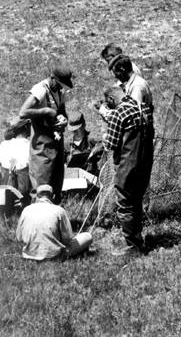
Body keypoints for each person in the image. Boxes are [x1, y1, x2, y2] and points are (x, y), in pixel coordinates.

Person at [99, 78, 154, 256]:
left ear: (111, 101)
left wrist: (105, 134)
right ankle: (138, 238)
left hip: (127, 164)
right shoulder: (144, 108)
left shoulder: (118, 113)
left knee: (125, 202)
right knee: (137, 199)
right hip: (145, 162)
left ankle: (133, 245)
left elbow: (111, 144)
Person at [18, 66, 73, 203]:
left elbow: (62, 111)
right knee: (42, 185)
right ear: (53, 78)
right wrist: (45, 111)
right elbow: (23, 113)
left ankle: (54, 219)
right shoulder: (40, 90)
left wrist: (64, 120)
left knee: (56, 182)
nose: (62, 87)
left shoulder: (59, 91)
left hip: (55, 142)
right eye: (60, 84)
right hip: (41, 145)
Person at [15, 184, 92, 261]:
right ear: (53, 196)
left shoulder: (26, 210)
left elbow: (19, 237)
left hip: (28, 255)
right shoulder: (59, 210)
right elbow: (67, 239)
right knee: (88, 236)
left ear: (37, 197)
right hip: (54, 256)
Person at [0, 117, 32, 213]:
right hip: (23, 188)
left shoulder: (4, 144)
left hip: (6, 186)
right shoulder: (29, 145)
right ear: (25, 128)